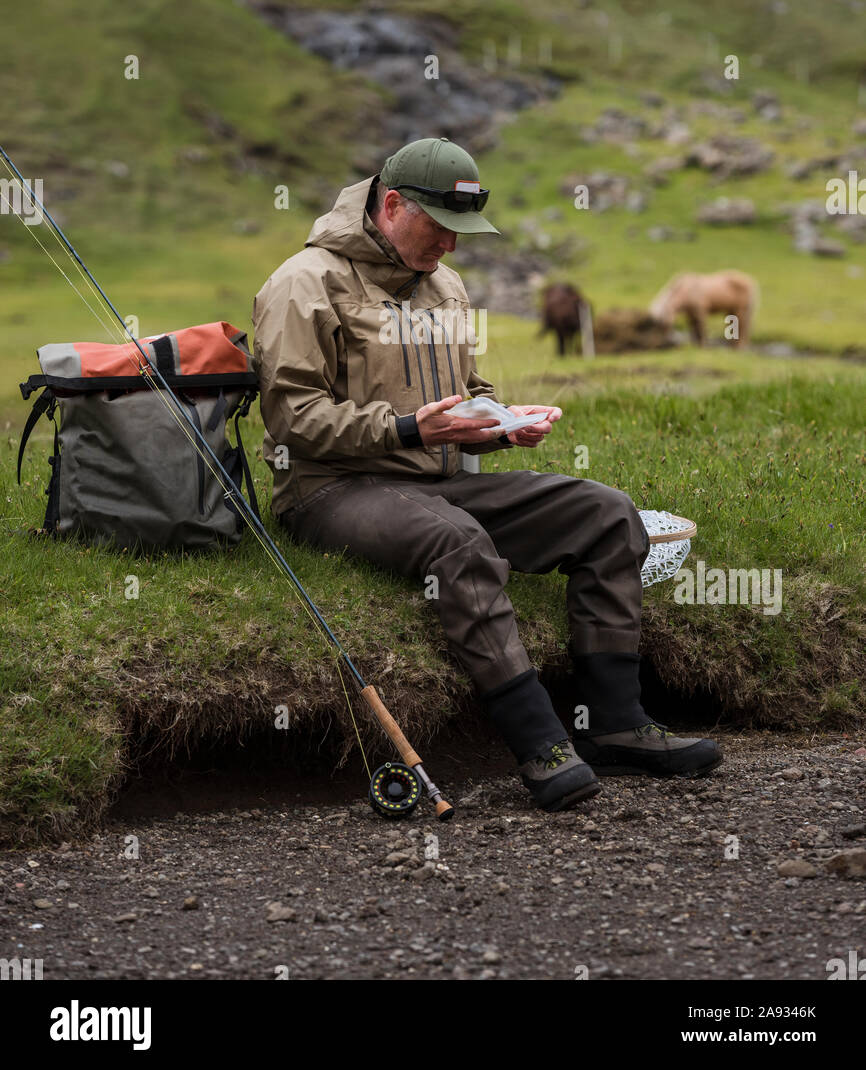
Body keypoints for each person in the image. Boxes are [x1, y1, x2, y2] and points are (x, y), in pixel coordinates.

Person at [252, 137, 722, 812]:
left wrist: (502, 422)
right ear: (392, 206)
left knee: (608, 513)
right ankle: (541, 744)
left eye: (461, 233)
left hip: (439, 479)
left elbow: (466, 389)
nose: (451, 247)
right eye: (441, 229)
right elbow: (293, 421)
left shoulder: (445, 284)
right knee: (459, 542)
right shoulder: (303, 283)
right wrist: (410, 429)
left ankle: (617, 725)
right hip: (332, 491)